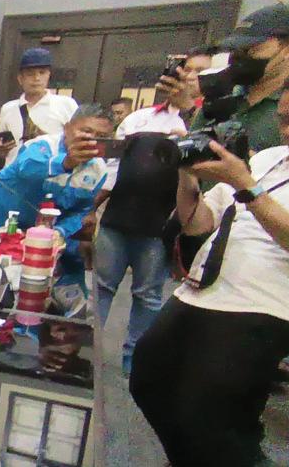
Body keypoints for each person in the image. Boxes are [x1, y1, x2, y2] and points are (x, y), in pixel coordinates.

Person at [129, 77, 289, 467]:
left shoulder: (248, 174)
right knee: (148, 381)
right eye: (285, 119)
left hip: (265, 303)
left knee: (209, 413)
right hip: (201, 289)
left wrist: (246, 186)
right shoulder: (266, 159)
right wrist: (186, 173)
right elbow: (200, 223)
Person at [94, 54, 207, 374]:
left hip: (161, 226)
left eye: (197, 73)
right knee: (101, 288)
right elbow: (112, 166)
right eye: (184, 71)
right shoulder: (138, 119)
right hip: (117, 219)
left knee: (147, 295)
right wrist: (93, 205)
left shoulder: (203, 122)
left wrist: (189, 113)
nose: (187, 78)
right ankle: (89, 351)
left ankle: (135, 359)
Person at [0, 104, 113, 286]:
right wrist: (66, 163)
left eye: (101, 137)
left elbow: (81, 211)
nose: (91, 140)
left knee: (34, 283)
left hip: (40, 232)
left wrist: (60, 231)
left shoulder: (98, 170)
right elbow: (26, 169)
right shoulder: (42, 145)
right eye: (86, 132)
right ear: (67, 128)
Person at [184, 4, 289, 154]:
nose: (240, 57)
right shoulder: (220, 99)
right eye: (236, 49)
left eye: (252, 49)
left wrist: (247, 162)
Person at [0, 48, 78, 165]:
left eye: (42, 73)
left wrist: (46, 140)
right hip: (14, 173)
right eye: (30, 74)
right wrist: (1, 149)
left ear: (48, 76)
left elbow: (77, 144)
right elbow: (0, 153)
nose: (36, 78)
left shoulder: (66, 104)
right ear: (20, 78)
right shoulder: (8, 108)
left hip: (51, 173)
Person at [115, 47, 212, 138]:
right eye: (187, 70)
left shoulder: (216, 118)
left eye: (201, 71)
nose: (190, 76)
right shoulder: (138, 117)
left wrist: (189, 108)